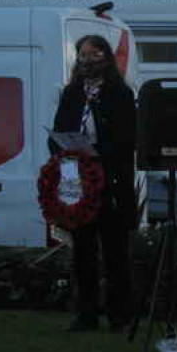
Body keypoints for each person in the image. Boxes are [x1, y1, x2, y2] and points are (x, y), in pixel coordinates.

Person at [50, 34, 137, 333]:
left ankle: (119, 315)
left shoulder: (119, 93)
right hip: (79, 180)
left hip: (110, 181)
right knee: (82, 252)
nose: (87, 61)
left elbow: (128, 139)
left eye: (93, 54)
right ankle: (86, 313)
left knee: (115, 253)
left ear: (106, 58)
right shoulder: (72, 93)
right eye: (82, 55)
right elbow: (58, 130)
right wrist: (64, 147)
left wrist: (99, 152)